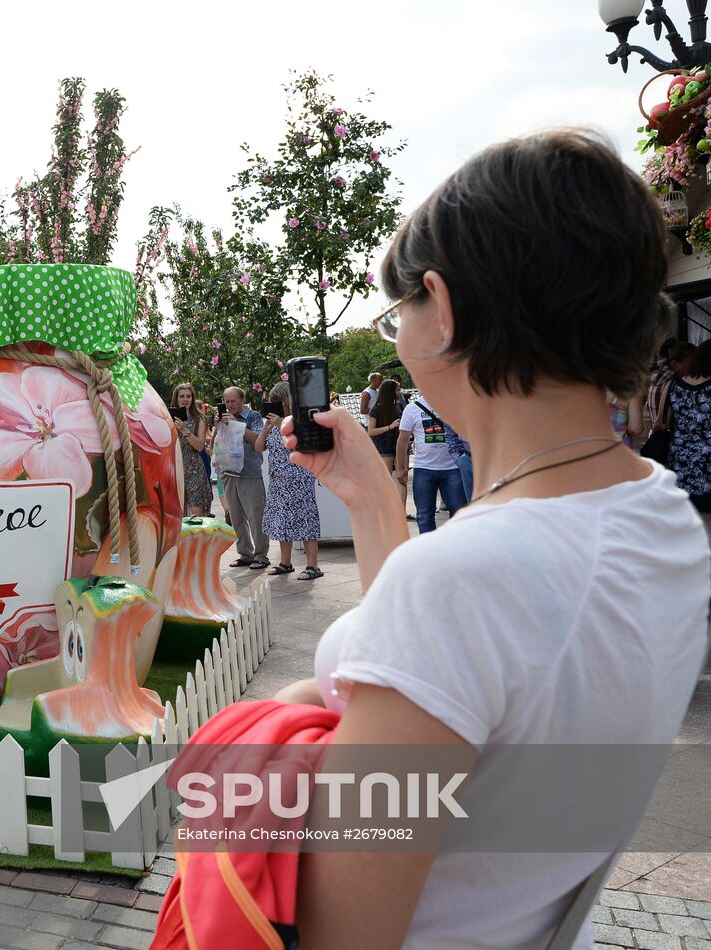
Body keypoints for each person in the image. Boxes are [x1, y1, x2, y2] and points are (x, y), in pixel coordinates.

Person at [266, 129, 708, 947]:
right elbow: (477, 668)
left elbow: (343, 934)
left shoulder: (465, 576)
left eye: (401, 310)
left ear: (445, 309)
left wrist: (279, 724)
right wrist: (371, 501)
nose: (399, 332)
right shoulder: (663, 515)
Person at [253, 382, 323, 580]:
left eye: (278, 401)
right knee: (283, 520)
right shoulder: (274, 425)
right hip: (279, 482)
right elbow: (259, 447)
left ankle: (313, 566)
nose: (275, 405)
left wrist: (281, 425)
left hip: (299, 480)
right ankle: (285, 562)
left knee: (305, 519)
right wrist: (266, 430)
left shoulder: (299, 421)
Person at [396, 390, 465, 532]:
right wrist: (400, 469)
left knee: (459, 514)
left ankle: (457, 549)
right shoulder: (412, 408)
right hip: (424, 468)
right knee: (424, 516)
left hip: (452, 467)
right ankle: (429, 552)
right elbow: (402, 441)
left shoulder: (452, 405)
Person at [215, 387, 269, 568]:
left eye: (233, 401)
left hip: (249, 472)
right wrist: (218, 425)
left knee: (256, 515)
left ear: (242, 400)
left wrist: (237, 426)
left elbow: (258, 440)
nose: (230, 405)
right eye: (227, 402)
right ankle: (244, 553)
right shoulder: (224, 416)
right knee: (236, 516)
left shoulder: (252, 416)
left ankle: (261, 555)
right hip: (228, 472)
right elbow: (216, 442)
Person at [666, 340, 711, 529]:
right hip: (706, 460)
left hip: (679, 454)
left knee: (684, 514)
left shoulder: (675, 384)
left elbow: (667, 419)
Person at [171, 383, 213, 517]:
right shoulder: (168, 417)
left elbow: (200, 446)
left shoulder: (199, 418)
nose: (185, 399)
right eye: (182, 396)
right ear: (176, 399)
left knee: (197, 514)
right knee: (178, 514)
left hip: (194, 467)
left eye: (188, 396)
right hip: (175, 468)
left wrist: (184, 430)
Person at [366, 378, 405, 504]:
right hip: (383, 446)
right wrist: (390, 426)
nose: (400, 392)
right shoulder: (376, 409)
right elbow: (371, 431)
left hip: (397, 444)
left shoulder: (398, 406)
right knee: (387, 480)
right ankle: (387, 509)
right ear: (390, 392)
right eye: (397, 390)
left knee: (401, 478)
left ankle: (401, 511)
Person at [645, 340, 695, 428]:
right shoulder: (676, 384)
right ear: (675, 364)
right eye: (692, 363)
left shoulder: (657, 377)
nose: (695, 367)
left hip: (659, 436)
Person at [443, 422, 474, 502]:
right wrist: (460, 461)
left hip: (493, 460)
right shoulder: (455, 411)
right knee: (473, 503)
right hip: (468, 461)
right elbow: (451, 437)